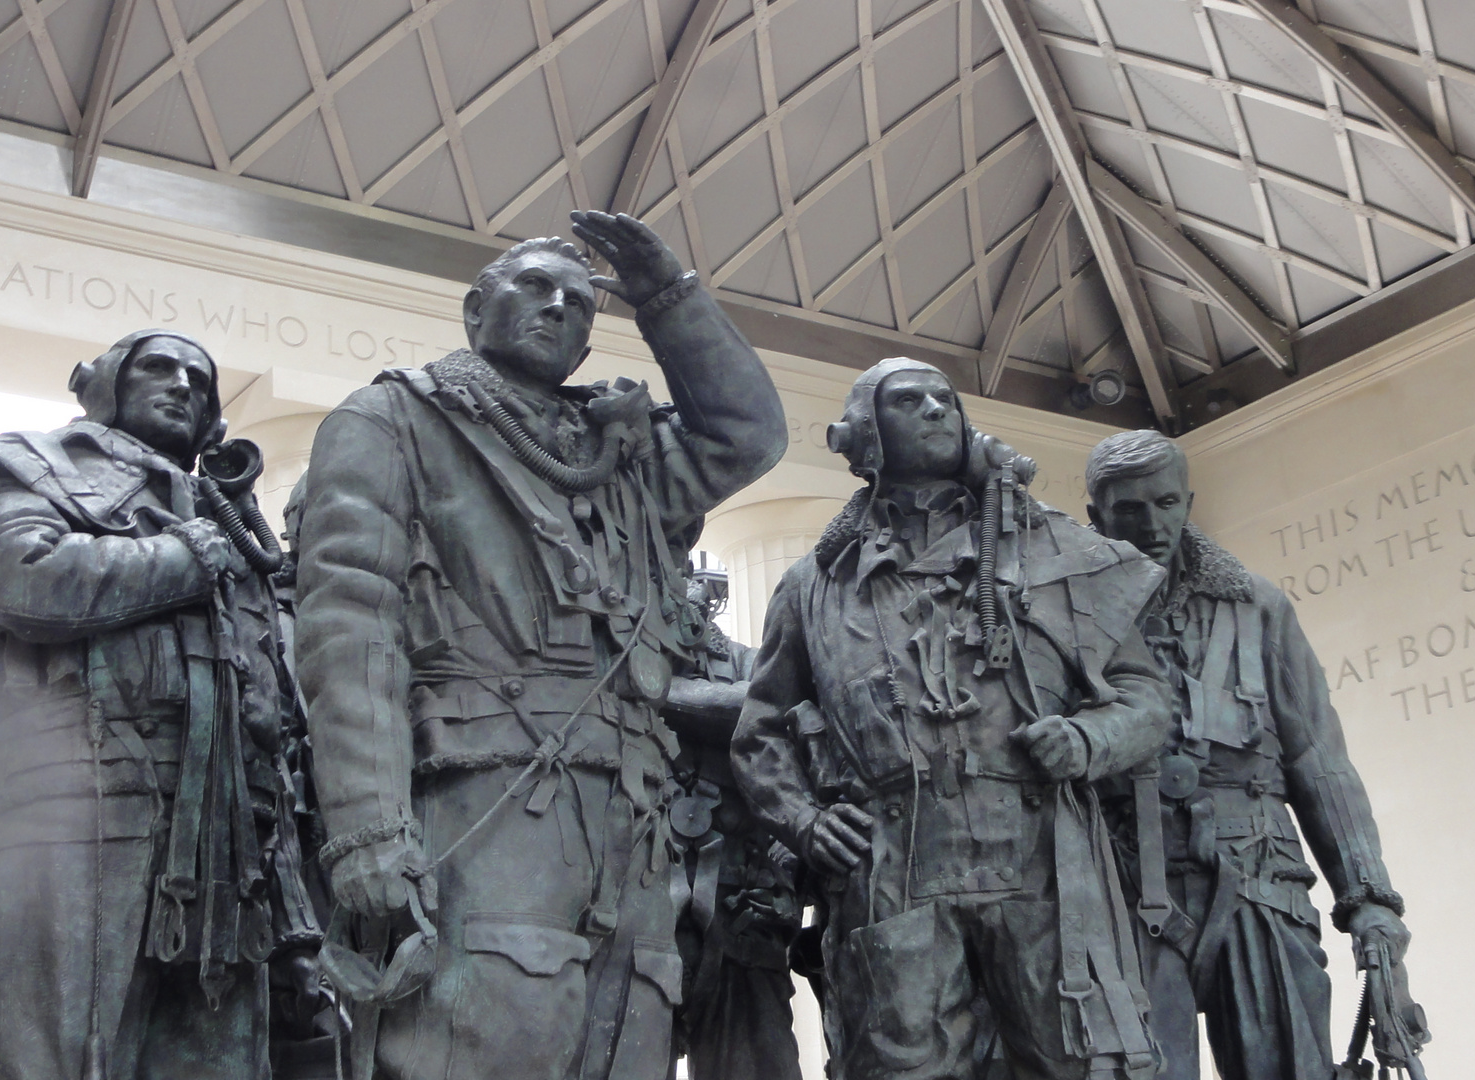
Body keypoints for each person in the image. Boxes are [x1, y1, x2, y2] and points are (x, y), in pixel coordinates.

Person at [294, 211, 786, 1080]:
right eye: (534, 287)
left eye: (580, 305)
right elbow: (351, 632)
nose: (559, 308)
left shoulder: (617, 456)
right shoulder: (391, 419)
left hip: (631, 822)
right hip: (481, 799)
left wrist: (670, 300)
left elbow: (746, 437)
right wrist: (367, 833)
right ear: (476, 308)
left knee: (623, 1050)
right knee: (475, 1047)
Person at [731, 357, 1171, 1080]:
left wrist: (1089, 737)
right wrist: (805, 821)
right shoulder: (813, 585)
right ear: (866, 432)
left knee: (1085, 1063)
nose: (936, 408)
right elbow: (763, 730)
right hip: (893, 868)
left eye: (945, 398)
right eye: (910, 400)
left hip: (1040, 861)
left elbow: (1145, 696)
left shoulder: (1052, 552)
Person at [0, 330, 302, 1079]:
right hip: (72, 811)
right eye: (158, 366)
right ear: (100, 384)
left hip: (226, 842)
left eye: (201, 380)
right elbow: (22, 578)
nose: (184, 384)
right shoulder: (25, 467)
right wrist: (191, 557)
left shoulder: (226, 515)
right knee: (53, 1058)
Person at [1083, 429, 1420, 1080]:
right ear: (1096, 516)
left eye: (1166, 502)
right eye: (1129, 509)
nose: (1151, 523)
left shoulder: (1257, 607)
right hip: (1126, 892)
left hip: (1258, 882)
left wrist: (1369, 897)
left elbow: (1318, 757)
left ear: (1188, 502)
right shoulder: (1066, 620)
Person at [660, 568, 805, 1080]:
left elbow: (770, 706)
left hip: (743, 905)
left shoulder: (745, 660)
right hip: (640, 903)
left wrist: (660, 692)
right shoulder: (616, 649)